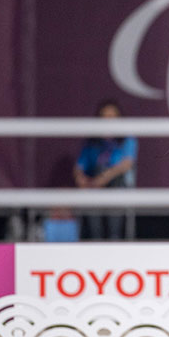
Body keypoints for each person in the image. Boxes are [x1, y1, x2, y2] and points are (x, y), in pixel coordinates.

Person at [73, 100, 138, 239]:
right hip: (95, 184)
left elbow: (127, 164)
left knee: (115, 182)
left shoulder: (126, 139)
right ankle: (95, 238)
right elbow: (80, 166)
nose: (108, 121)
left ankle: (114, 237)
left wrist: (105, 177)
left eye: (112, 117)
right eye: (104, 117)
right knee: (91, 188)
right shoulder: (92, 141)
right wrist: (80, 178)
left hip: (117, 183)